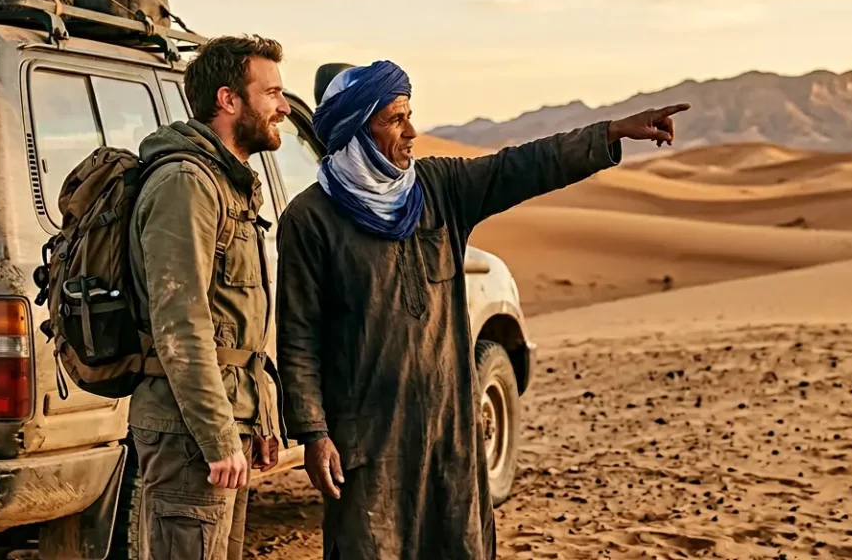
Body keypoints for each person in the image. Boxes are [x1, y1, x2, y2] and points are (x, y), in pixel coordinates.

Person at [275, 59, 690, 560]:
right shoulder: (311, 217)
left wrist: (609, 134)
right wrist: (314, 433)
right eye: (394, 120)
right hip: (370, 442)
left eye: (410, 114)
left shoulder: (438, 189)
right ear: (355, 130)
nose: (410, 132)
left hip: (451, 431)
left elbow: (523, 165)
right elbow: (299, 337)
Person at [127, 35, 290, 560]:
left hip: (220, 422)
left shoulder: (228, 182)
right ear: (228, 100)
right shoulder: (186, 183)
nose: (283, 108)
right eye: (271, 94)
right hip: (187, 435)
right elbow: (182, 324)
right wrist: (219, 437)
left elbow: (238, 323)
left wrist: (258, 418)